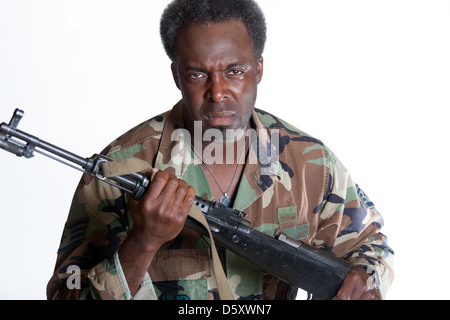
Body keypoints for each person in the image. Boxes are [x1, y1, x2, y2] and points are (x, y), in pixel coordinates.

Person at [47, 0, 394, 300]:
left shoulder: (309, 162)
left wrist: (363, 277)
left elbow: (371, 245)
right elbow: (66, 292)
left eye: (234, 71)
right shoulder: (121, 169)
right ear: (176, 75)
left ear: (258, 69)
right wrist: (141, 244)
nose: (218, 92)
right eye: (198, 74)